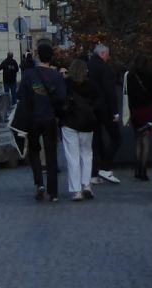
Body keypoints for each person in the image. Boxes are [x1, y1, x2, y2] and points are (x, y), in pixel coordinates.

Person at [17, 42, 66, 202]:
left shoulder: (28, 75)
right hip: (50, 118)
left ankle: (39, 184)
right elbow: (62, 98)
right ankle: (54, 192)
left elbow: (21, 98)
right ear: (51, 57)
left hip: (33, 119)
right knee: (51, 155)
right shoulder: (57, 76)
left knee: (34, 152)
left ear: (38, 56)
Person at [62, 57, 100, 201]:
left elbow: (60, 101)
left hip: (70, 122)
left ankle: (76, 190)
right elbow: (97, 103)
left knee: (72, 157)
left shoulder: (66, 83)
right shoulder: (92, 85)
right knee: (87, 154)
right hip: (87, 123)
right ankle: (87, 185)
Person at [87, 42, 121, 185]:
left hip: (91, 108)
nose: (108, 57)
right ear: (102, 54)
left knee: (96, 141)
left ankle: (94, 173)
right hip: (105, 108)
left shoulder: (88, 65)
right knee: (116, 138)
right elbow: (109, 91)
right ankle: (105, 168)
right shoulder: (104, 68)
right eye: (107, 54)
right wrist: (115, 112)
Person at [126, 56, 152, 181]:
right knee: (146, 139)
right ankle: (143, 169)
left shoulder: (130, 76)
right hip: (147, 109)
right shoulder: (150, 76)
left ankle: (137, 168)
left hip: (134, 109)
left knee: (137, 138)